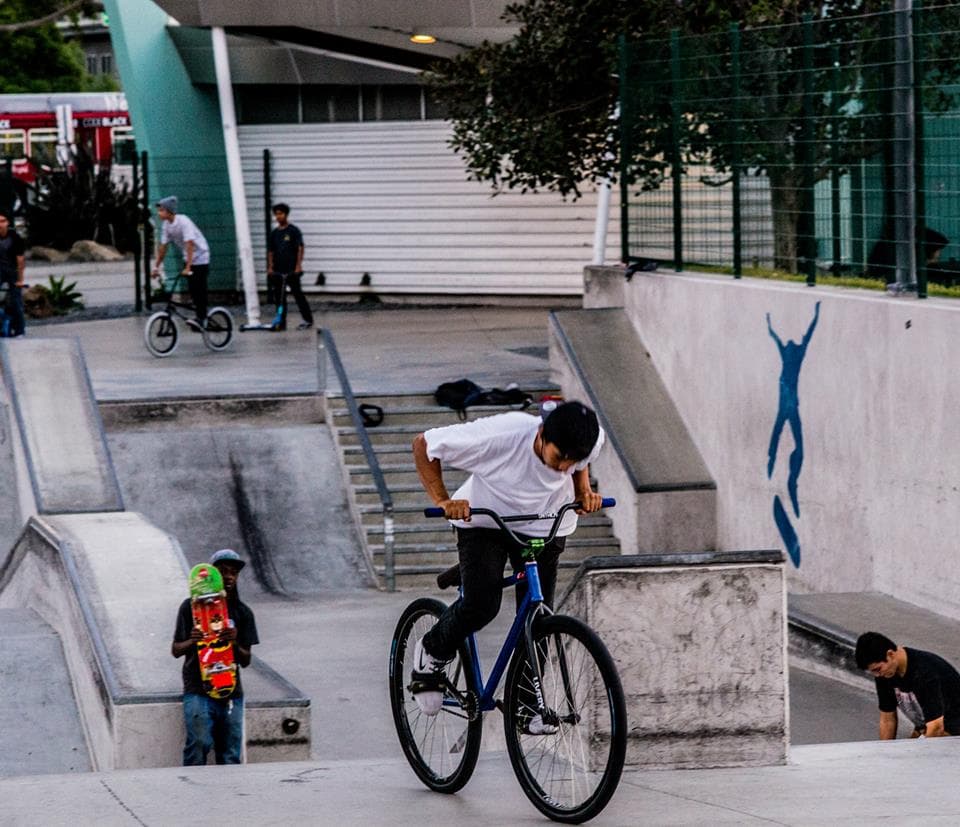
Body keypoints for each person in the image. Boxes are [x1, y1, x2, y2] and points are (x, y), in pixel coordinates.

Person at [410, 401, 605, 730]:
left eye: (572, 463)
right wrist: (443, 500)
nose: (563, 469)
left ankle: (527, 706)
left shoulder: (589, 438)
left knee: (538, 615)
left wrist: (583, 489)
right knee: (482, 605)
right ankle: (431, 652)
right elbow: (423, 445)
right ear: (541, 434)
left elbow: (580, 462)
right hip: (486, 521)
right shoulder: (502, 435)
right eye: (559, 459)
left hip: (545, 524)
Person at [172, 548, 259, 765]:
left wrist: (234, 642)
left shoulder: (243, 613)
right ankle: (190, 788)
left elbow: (246, 660)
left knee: (230, 751)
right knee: (199, 743)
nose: (229, 577)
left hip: (231, 691)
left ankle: (231, 795)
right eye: (223, 571)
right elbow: (175, 650)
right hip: (197, 689)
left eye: (233, 573)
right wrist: (192, 641)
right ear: (213, 575)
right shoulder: (189, 608)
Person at [855, 631, 960, 740]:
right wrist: (884, 752)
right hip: (927, 727)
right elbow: (887, 720)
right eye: (873, 672)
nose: (877, 675)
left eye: (878, 669)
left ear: (890, 654)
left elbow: (936, 728)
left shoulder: (924, 672)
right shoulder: (886, 674)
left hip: (952, 732)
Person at [152, 195, 211, 332]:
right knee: (192, 288)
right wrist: (156, 267)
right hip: (189, 258)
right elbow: (163, 247)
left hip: (201, 256)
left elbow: (189, 243)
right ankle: (198, 313)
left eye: (161, 210)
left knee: (199, 288)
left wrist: (188, 266)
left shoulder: (184, 221)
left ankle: (202, 318)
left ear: (169, 211)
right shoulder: (166, 226)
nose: (159, 213)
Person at [267, 202, 313, 331]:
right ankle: (281, 321)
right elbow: (271, 251)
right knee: (280, 298)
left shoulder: (293, 231)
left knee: (298, 295)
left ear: (286, 214)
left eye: (281, 214)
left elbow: (300, 248)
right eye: (276, 214)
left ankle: (307, 319)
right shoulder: (274, 233)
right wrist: (270, 267)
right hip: (278, 270)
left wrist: (298, 266)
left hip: (291, 270)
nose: (278, 216)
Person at [0, 212, 26, 336]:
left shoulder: (15, 238)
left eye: (3, 221)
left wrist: (20, 280)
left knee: (16, 300)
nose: (0, 224)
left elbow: (20, 260)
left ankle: (20, 330)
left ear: (7, 223)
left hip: (12, 270)